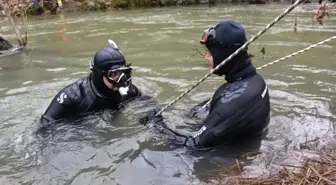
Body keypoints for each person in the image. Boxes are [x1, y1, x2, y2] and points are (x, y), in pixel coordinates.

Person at [142, 20, 271, 150]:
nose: (206, 57)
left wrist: (157, 126)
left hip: (228, 159)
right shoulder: (253, 80)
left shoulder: (236, 100)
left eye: (211, 52)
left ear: (225, 54)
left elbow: (194, 145)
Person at [40, 41, 142, 125]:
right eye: (114, 74)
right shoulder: (71, 97)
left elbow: (145, 105)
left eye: (125, 72)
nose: (121, 80)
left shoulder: (128, 89)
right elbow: (44, 128)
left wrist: (153, 122)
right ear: (99, 75)